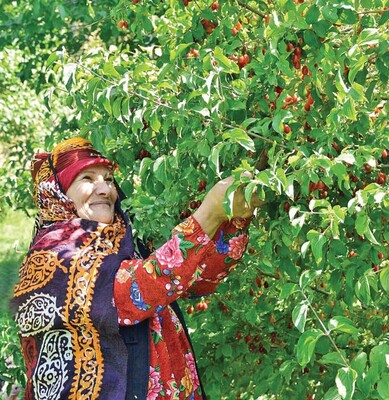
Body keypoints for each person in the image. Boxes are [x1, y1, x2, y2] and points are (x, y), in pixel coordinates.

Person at [11, 137, 260, 400]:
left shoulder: (122, 242)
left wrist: (235, 217)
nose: (105, 189)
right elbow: (137, 293)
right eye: (87, 178)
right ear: (56, 192)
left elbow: (195, 280)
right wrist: (208, 214)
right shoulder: (53, 255)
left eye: (108, 179)